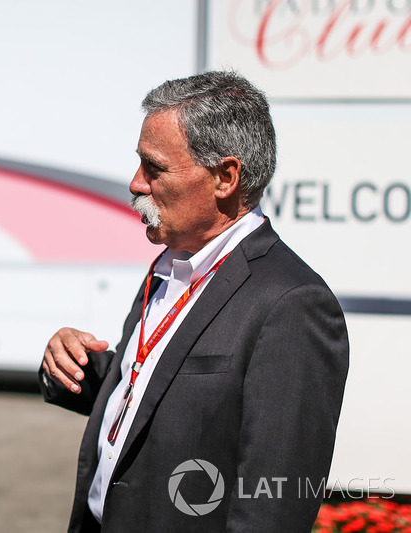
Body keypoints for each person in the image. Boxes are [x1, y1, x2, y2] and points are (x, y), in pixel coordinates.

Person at [39, 71, 349, 532]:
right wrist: (75, 368)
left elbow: (275, 505)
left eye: (154, 168)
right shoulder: (170, 264)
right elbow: (160, 396)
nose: (135, 183)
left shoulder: (291, 304)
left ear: (225, 177)